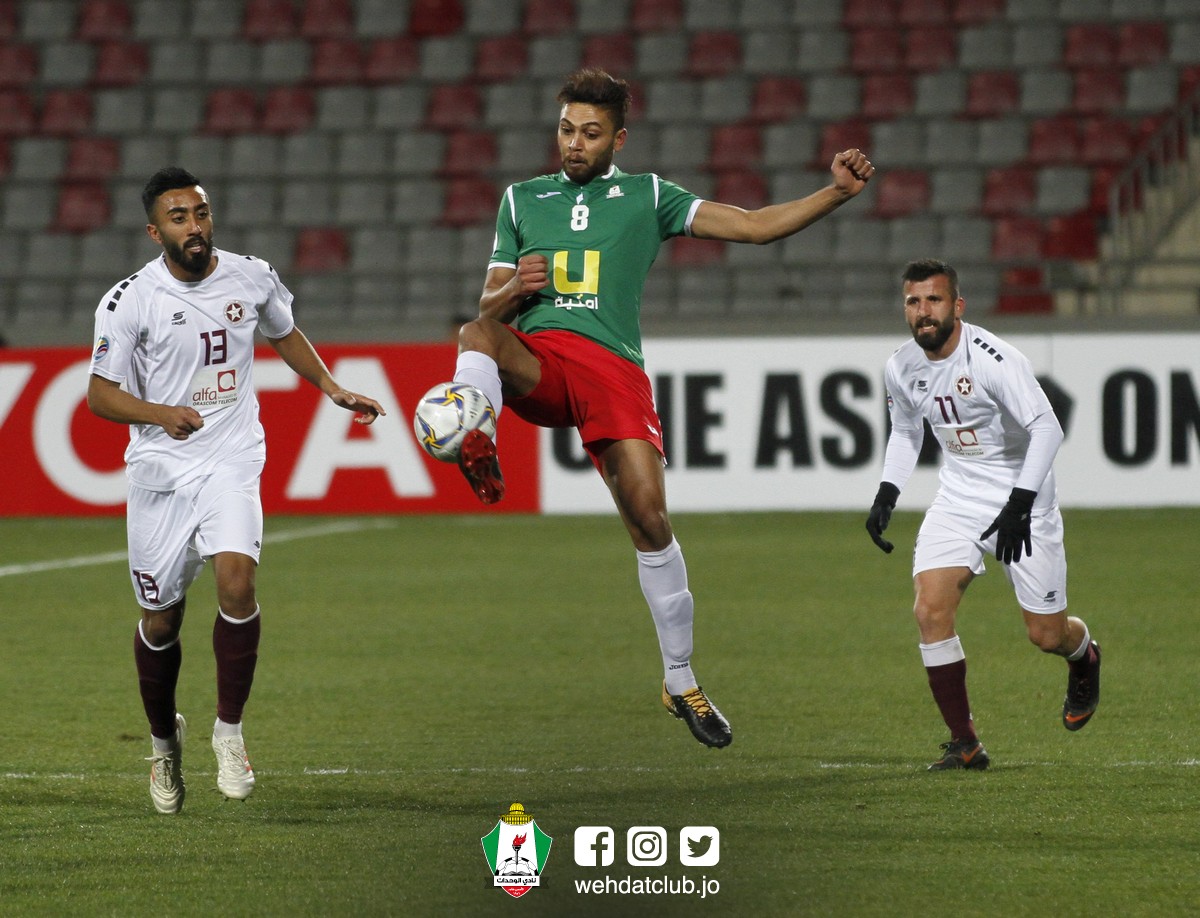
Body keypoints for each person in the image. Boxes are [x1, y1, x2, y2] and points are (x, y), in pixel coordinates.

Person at [444, 68, 874, 748]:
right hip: (542, 360)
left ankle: (680, 681)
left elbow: (754, 227)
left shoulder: (647, 195)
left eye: (591, 133)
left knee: (650, 520)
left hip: (612, 370)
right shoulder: (521, 200)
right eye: (566, 130)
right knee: (477, 335)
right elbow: (487, 307)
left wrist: (836, 193)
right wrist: (515, 291)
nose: (574, 143)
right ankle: (475, 436)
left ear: (618, 139)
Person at [87, 167, 385, 813]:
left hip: (231, 457)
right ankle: (164, 744)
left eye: (200, 213)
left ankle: (229, 732)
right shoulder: (128, 300)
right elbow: (99, 395)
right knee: (160, 622)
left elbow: (283, 331)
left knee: (237, 583)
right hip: (161, 472)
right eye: (178, 218)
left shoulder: (252, 276)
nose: (194, 227)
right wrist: (159, 413)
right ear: (155, 231)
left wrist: (331, 387)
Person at [865, 258, 1101, 771]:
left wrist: (1020, 505)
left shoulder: (994, 359)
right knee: (929, 612)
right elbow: (906, 431)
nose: (923, 311)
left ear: (957, 306)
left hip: (1024, 503)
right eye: (913, 301)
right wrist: (887, 492)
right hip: (958, 500)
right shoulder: (901, 366)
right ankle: (965, 743)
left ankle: (1083, 655)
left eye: (934, 300)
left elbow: (1048, 429)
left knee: (1046, 635)